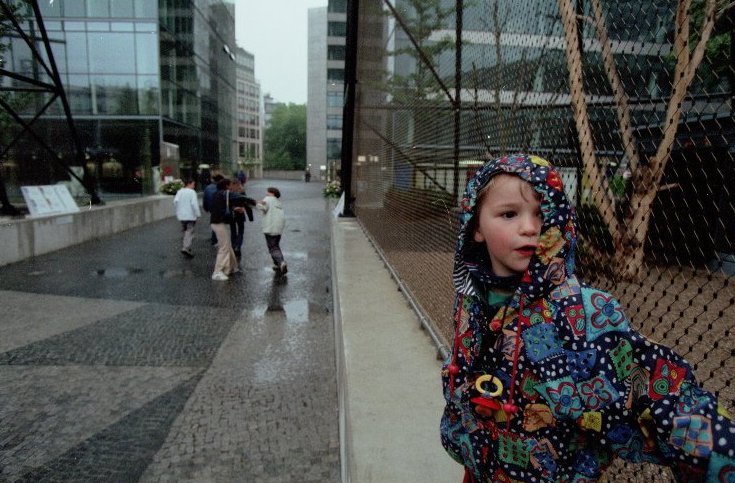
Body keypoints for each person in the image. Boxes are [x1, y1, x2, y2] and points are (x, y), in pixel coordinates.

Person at [440, 153, 735, 482]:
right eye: (509, 214)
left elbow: (656, 389)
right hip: (479, 468)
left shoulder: (587, 311)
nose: (530, 227)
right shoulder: (470, 299)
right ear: (475, 227)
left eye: (543, 214)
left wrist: (722, 452)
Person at [256, 186, 287, 275]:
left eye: (267, 192)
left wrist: (256, 203)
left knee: (272, 248)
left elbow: (263, 207)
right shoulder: (278, 202)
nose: (266, 193)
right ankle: (277, 265)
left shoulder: (268, 199)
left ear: (272, 193)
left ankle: (281, 262)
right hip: (278, 228)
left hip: (270, 227)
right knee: (275, 246)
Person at [228, 179, 255, 261]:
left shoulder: (229, 192)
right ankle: (238, 247)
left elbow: (226, 204)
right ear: (239, 184)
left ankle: (233, 247)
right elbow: (247, 205)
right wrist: (250, 217)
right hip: (240, 214)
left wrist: (232, 208)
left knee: (233, 231)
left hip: (231, 214)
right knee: (240, 231)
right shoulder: (242, 192)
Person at [173, 178, 200, 258]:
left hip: (181, 215)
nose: (194, 186)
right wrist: (197, 214)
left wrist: (178, 211)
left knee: (185, 230)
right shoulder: (192, 192)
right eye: (193, 184)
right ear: (189, 184)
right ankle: (186, 247)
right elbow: (194, 204)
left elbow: (175, 202)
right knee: (190, 230)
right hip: (190, 215)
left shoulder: (180, 191)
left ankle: (186, 245)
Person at [202, 174, 223, 246]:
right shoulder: (220, 187)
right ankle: (215, 239)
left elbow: (204, 198)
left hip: (211, 208)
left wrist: (206, 208)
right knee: (218, 222)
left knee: (214, 221)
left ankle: (214, 239)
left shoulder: (207, 187)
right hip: (219, 207)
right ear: (220, 180)